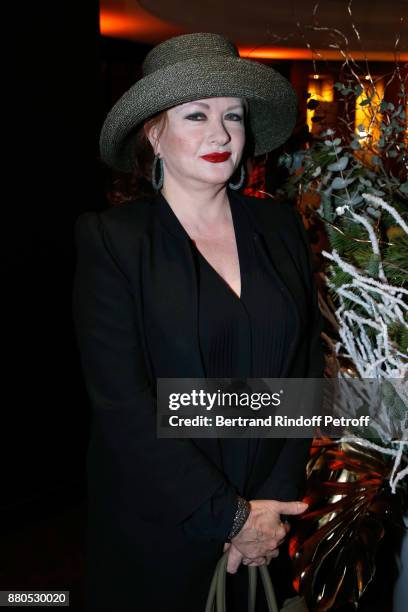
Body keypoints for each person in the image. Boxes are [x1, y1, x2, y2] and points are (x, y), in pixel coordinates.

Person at [73, 32, 325, 612]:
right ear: (154, 135)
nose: (220, 134)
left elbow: (304, 366)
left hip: (268, 523)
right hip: (161, 524)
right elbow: (122, 404)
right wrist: (229, 515)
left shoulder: (281, 229)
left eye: (233, 117)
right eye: (196, 115)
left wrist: (274, 502)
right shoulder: (114, 241)